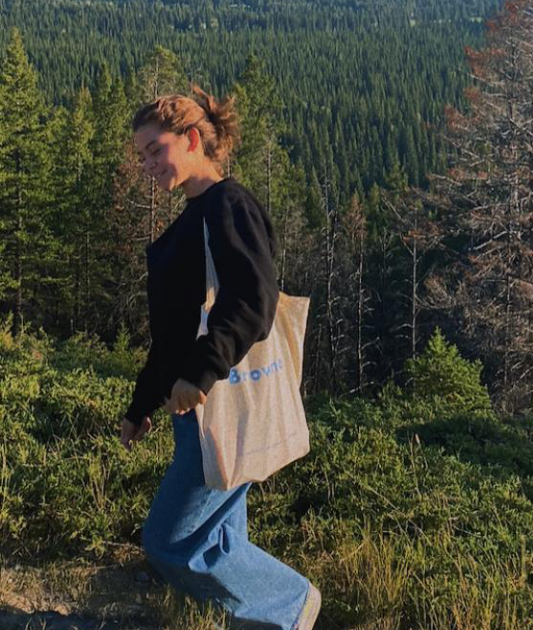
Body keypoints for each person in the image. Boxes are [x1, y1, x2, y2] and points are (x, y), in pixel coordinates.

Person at [120, 85, 321, 630]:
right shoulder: (197, 216)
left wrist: (202, 372)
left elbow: (253, 303)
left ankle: (291, 603)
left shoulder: (229, 206)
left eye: (155, 150)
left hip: (222, 408)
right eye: (142, 156)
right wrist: (142, 404)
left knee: (169, 541)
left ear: (191, 139)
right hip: (204, 409)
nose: (148, 165)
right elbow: (173, 333)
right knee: (222, 539)